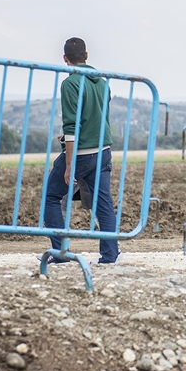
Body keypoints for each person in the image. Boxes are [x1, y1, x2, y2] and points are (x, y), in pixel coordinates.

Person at [41, 37, 119, 264]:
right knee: (103, 203)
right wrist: (67, 139)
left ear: (65, 59)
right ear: (86, 56)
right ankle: (110, 255)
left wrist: (68, 163)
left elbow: (72, 125)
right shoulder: (102, 82)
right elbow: (94, 119)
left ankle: (60, 252)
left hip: (82, 153)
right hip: (103, 150)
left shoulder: (71, 84)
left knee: (50, 197)